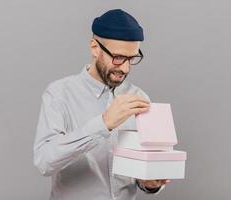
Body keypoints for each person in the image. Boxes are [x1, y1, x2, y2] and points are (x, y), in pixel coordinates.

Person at [33, 9, 169, 200]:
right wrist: (103, 124)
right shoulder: (59, 94)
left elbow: (140, 169)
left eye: (132, 58)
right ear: (95, 48)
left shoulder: (139, 97)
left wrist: (148, 183)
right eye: (119, 57)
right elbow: (44, 162)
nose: (125, 68)